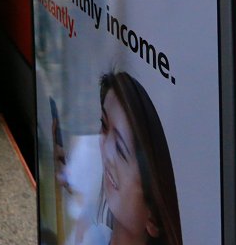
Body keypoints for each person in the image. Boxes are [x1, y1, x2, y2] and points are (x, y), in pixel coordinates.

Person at [75, 72, 182, 245]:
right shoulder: (90, 236)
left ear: (153, 219)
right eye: (104, 125)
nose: (104, 146)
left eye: (120, 149)